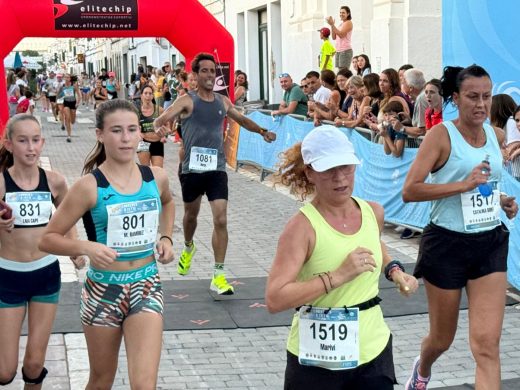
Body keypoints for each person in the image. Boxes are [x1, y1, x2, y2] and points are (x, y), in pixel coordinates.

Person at [266, 125, 418, 390]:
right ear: (310, 173)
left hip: (373, 351)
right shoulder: (301, 227)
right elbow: (275, 298)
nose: (340, 178)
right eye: (329, 170)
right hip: (316, 361)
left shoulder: (373, 213)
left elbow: (373, 242)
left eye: (346, 166)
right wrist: (337, 276)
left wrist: (394, 270)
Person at [39, 99, 175, 389]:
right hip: (103, 291)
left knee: (144, 384)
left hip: (146, 285)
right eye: (116, 131)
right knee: (102, 380)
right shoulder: (90, 186)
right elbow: (48, 239)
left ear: (141, 133)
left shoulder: (156, 177)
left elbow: (168, 201)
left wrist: (166, 237)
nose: (126, 138)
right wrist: (87, 248)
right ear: (100, 134)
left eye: (132, 129)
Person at [402, 65, 518, 390]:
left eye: (486, 96)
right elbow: (410, 190)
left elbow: (486, 186)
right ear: (456, 98)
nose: (481, 104)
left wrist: (502, 201)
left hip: (489, 242)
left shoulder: (495, 136)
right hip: (446, 245)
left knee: (486, 345)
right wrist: (461, 186)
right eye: (472, 97)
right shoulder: (441, 135)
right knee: (442, 339)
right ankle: (422, 368)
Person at [154, 52, 276, 295]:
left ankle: (218, 275)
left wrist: (262, 131)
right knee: (191, 216)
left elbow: (241, 119)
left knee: (221, 219)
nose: (210, 75)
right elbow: (162, 119)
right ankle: (188, 247)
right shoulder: (186, 101)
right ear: (196, 76)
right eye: (205, 71)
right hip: (191, 170)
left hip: (217, 169)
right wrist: (160, 128)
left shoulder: (223, 102)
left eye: (213, 71)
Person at [0, 114, 85, 389]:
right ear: (9, 144)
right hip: (7, 278)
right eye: (22, 140)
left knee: (35, 364)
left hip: (45, 275)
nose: (30, 147)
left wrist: (74, 248)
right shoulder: (1, 183)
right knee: (4, 371)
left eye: (36, 140)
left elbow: (68, 215)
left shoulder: (55, 182)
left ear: (43, 142)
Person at [137, 84, 167, 168]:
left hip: (157, 143)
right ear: (141, 95)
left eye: (150, 93)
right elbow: (132, 127)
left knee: (158, 170)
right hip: (143, 142)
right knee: (146, 170)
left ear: (153, 96)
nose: (148, 96)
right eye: (145, 93)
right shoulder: (137, 111)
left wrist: (164, 135)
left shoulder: (159, 109)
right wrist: (138, 133)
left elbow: (167, 124)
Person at [326, 6, 353, 70]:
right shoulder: (341, 24)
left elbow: (341, 35)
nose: (341, 14)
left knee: (343, 73)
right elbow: (333, 37)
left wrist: (332, 25)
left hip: (345, 51)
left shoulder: (348, 22)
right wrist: (332, 25)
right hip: (338, 51)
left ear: (348, 14)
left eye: (343, 13)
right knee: (339, 73)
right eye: (340, 12)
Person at [57, 74, 81, 143]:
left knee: (72, 121)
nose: (66, 79)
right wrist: (58, 99)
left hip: (73, 103)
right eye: (65, 77)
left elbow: (79, 95)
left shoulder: (74, 86)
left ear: (70, 78)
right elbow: (58, 95)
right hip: (66, 103)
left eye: (68, 77)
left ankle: (72, 120)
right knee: (67, 118)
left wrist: (77, 103)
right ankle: (69, 136)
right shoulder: (63, 86)